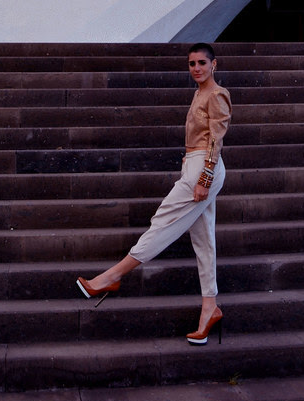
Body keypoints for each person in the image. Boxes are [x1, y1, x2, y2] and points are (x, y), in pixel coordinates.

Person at [76, 42, 232, 345]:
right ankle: (210, 307)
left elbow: (216, 138)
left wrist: (204, 176)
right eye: (192, 64)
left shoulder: (217, 94)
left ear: (214, 64)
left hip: (204, 169)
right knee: (204, 240)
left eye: (202, 63)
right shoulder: (199, 93)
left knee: (162, 222)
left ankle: (112, 276)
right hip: (194, 165)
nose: (196, 68)